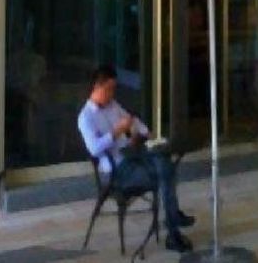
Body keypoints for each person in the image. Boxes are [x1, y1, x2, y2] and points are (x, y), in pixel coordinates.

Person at [77, 65, 194, 253]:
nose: (112, 93)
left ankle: (173, 221)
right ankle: (173, 227)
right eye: (109, 89)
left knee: (163, 160)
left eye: (114, 89)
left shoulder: (112, 105)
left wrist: (146, 133)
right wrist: (117, 132)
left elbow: (132, 120)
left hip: (132, 156)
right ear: (97, 87)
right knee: (166, 171)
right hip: (117, 171)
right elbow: (94, 148)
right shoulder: (86, 117)